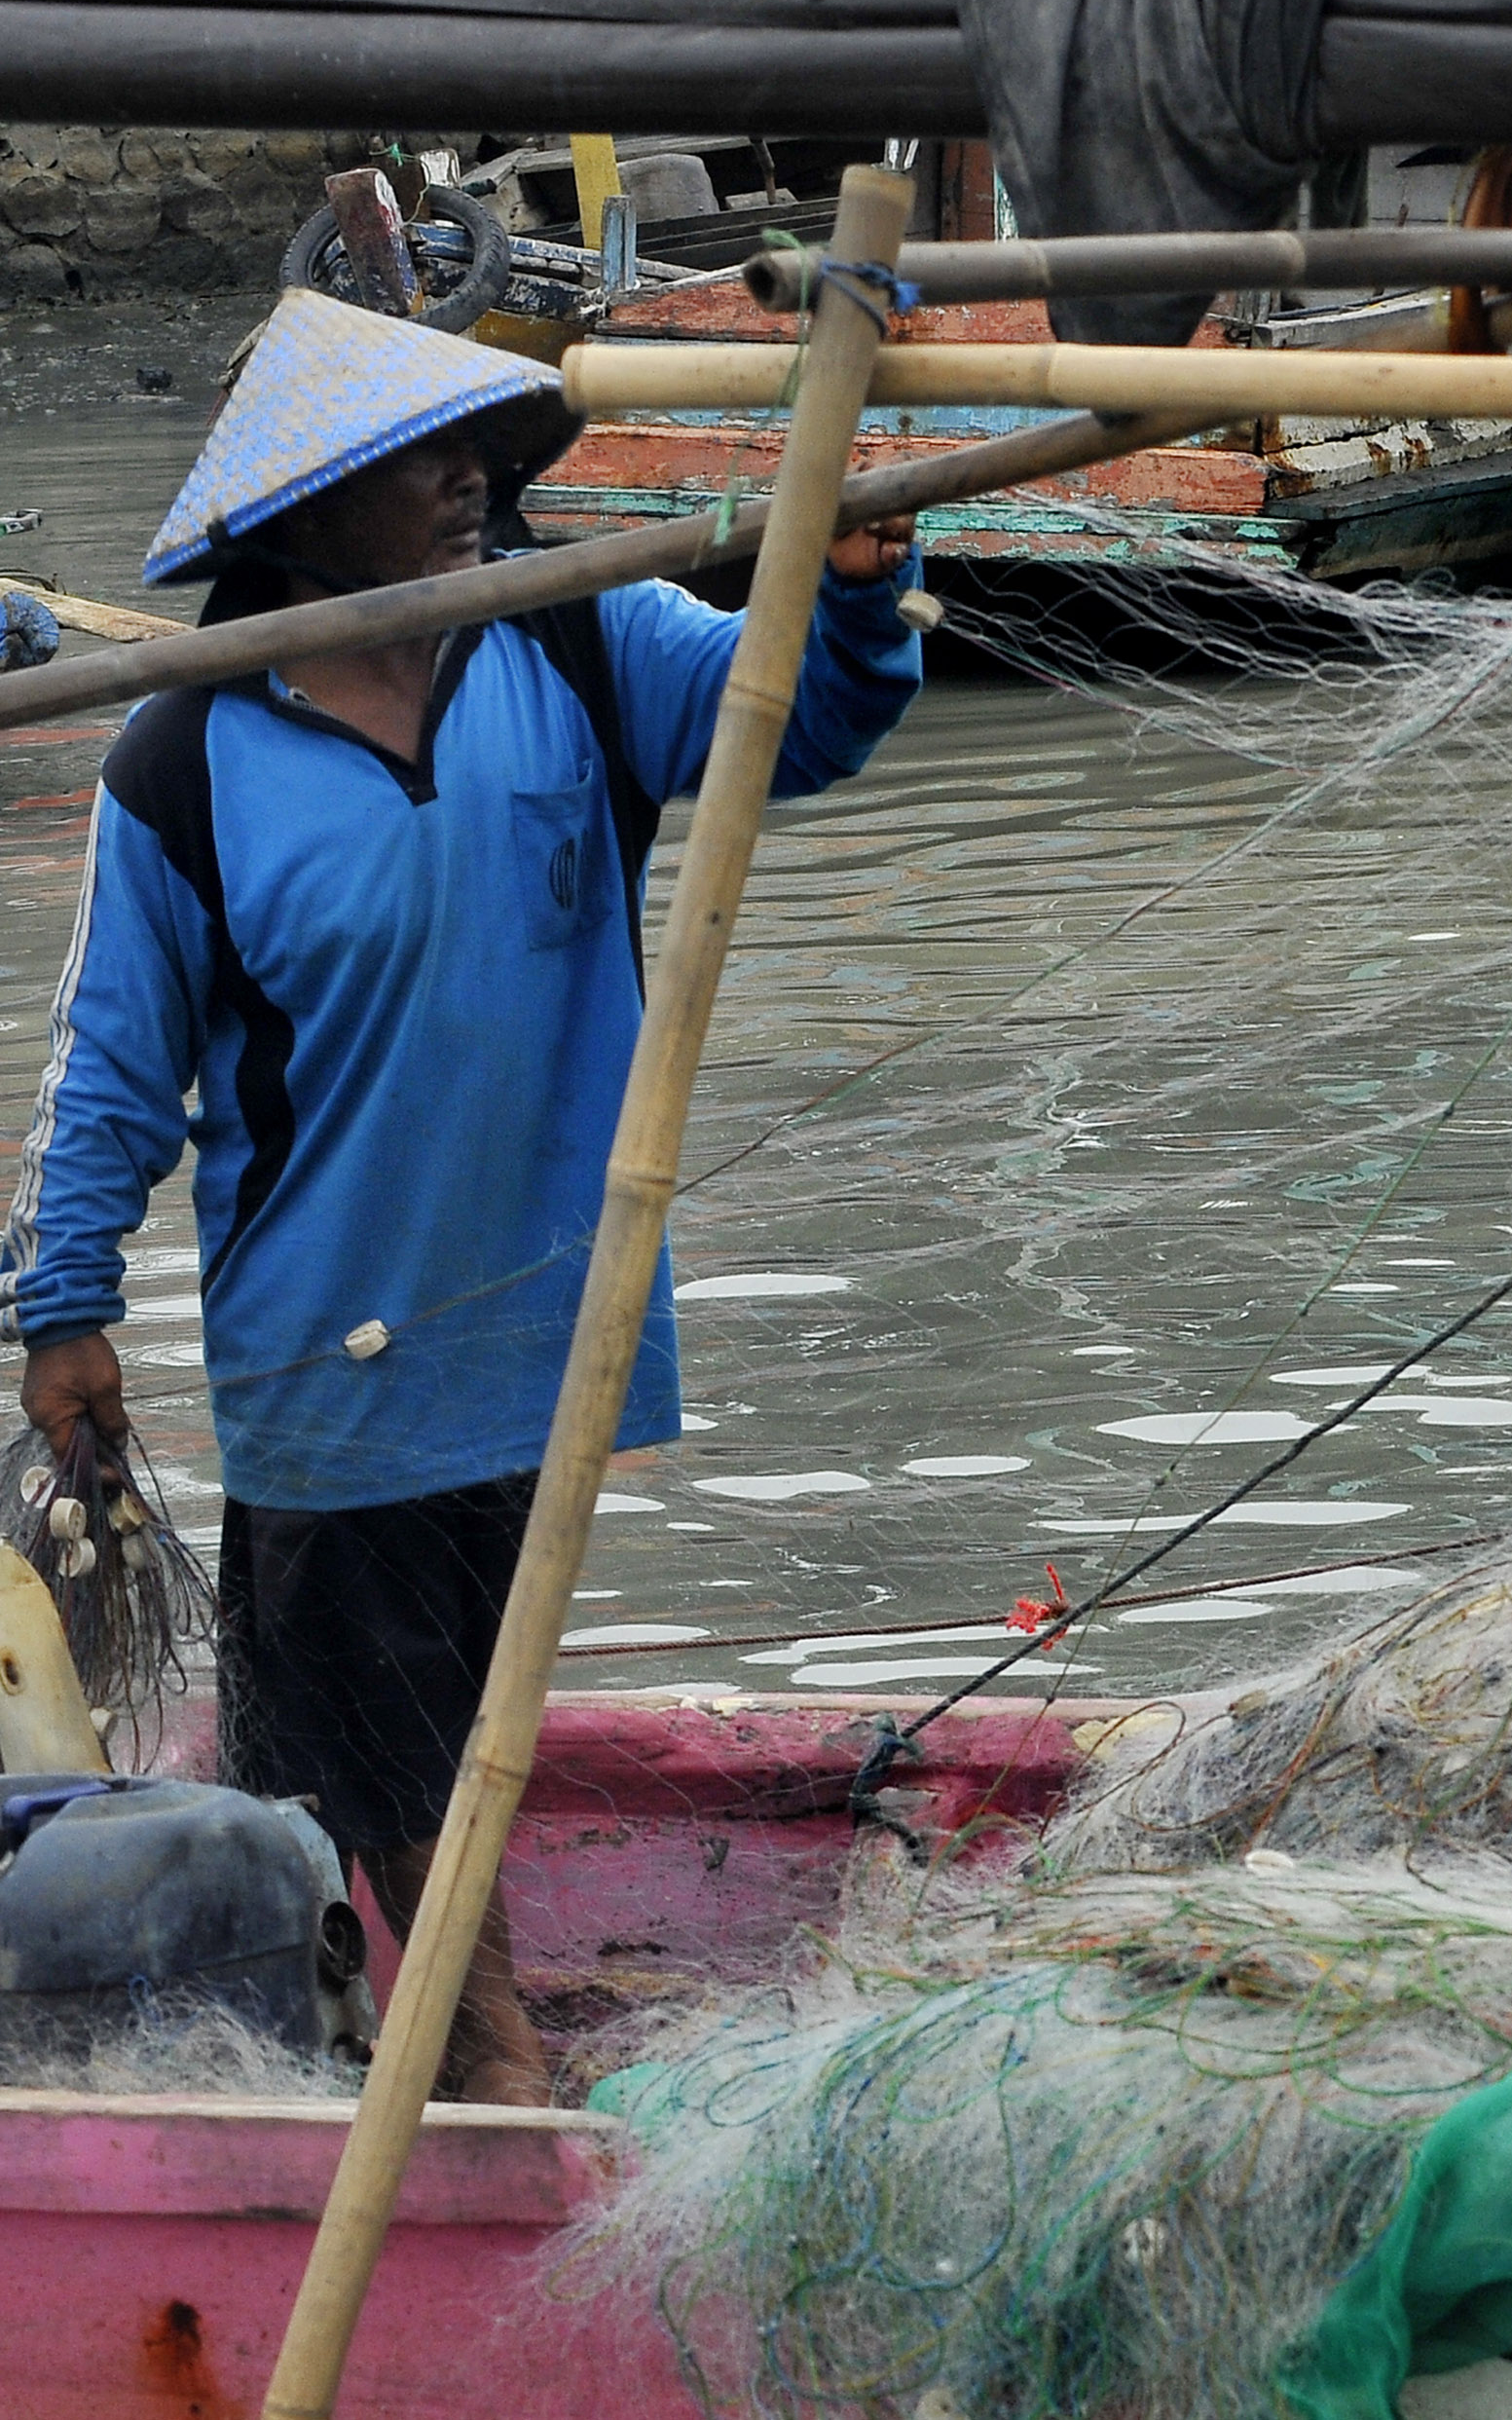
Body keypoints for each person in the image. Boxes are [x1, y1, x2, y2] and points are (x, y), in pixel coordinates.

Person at [0, 292, 924, 2103]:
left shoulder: (571, 641)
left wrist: (860, 590)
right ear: (304, 508)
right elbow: (115, 1062)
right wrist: (66, 1305)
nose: (470, 487)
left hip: (544, 1331)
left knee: (416, 1740)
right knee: (381, 1762)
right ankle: (483, 2086)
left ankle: (443, 2071)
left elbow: (787, 729)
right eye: (426, 460)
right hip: (330, 1361)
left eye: (482, 458)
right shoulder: (180, 762)